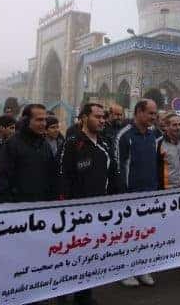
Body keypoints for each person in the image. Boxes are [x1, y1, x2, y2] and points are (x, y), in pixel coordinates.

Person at [59, 103, 123, 305]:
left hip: (99, 211)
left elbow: (114, 173)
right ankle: (62, 293)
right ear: (84, 117)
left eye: (104, 117)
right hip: (74, 213)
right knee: (69, 255)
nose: (102, 120)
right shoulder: (72, 143)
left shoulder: (105, 143)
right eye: (97, 116)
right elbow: (62, 176)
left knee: (90, 254)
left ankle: (84, 295)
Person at [115, 99, 163, 287]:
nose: (154, 117)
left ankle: (142, 269)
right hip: (130, 195)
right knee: (128, 235)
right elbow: (118, 167)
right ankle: (124, 272)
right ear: (139, 112)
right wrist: (123, 192)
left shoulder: (153, 135)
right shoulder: (124, 135)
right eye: (151, 113)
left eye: (155, 113)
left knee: (147, 234)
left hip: (149, 193)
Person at [0, 104, 57, 202]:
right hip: (19, 208)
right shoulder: (12, 144)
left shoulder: (45, 145)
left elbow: (51, 176)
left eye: (45, 120)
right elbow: (2, 180)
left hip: (41, 208)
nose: (44, 124)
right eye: (39, 120)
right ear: (26, 120)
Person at [161, 113, 180, 189]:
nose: (178, 127)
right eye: (174, 125)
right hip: (167, 190)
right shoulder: (159, 144)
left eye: (179, 124)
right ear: (166, 127)